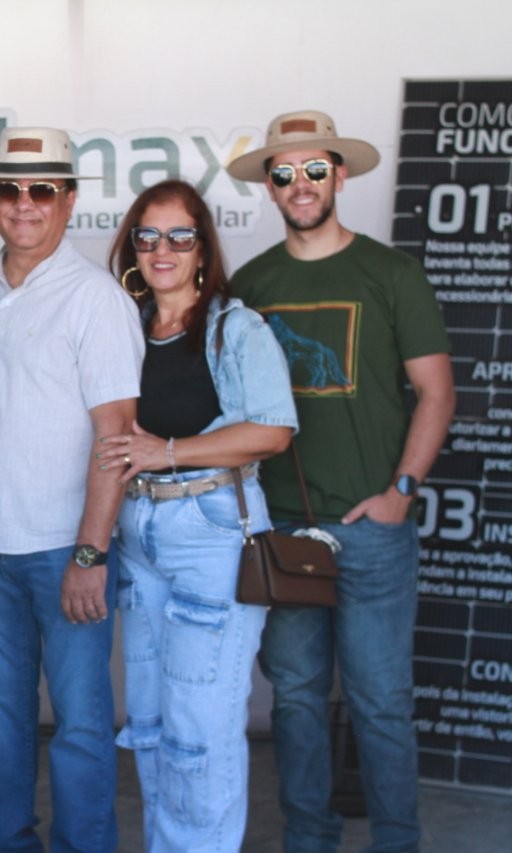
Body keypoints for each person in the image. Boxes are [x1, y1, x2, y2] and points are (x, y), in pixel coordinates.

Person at [226, 110, 455, 851]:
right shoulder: (252, 284)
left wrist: (400, 494)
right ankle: (308, 838)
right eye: (285, 173)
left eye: (315, 169)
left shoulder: (391, 274)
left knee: (380, 700)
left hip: (371, 531)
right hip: (283, 527)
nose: (301, 184)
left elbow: (437, 392)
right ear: (269, 186)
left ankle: (397, 841)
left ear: (340, 176)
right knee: (294, 698)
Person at [0, 126, 144, 852]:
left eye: (42, 190)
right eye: (9, 188)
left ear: (69, 200)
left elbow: (116, 437)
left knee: (82, 720)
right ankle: (4, 842)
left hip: (66, 545)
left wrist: (91, 553)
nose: (23, 203)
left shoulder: (96, 298)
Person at [96, 179, 297, 852]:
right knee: (151, 722)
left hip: (211, 533)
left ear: (203, 249)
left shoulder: (236, 328)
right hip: (140, 531)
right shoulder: (126, 327)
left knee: (199, 729)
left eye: (180, 236)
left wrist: (168, 450)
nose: (163, 249)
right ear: (132, 247)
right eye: (148, 236)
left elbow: (273, 430)